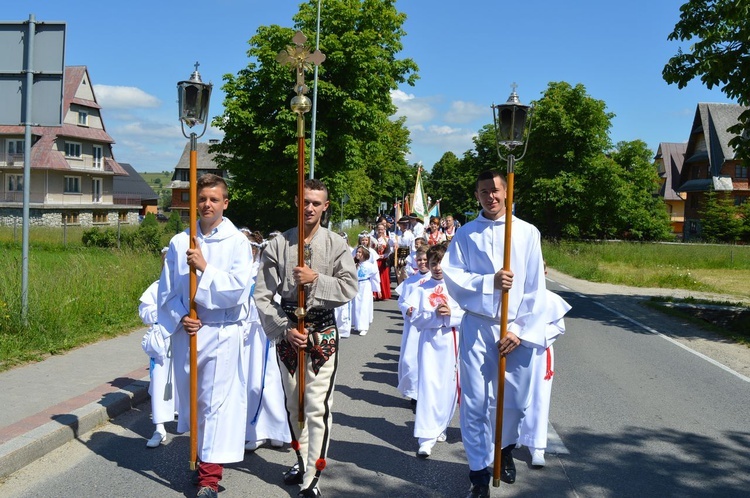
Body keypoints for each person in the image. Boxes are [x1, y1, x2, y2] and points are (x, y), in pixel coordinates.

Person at [441, 170, 548, 498]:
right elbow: (453, 276)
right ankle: (477, 473)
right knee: (475, 400)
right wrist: (489, 282)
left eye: (496, 190)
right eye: (484, 191)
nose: (491, 197)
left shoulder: (527, 233)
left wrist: (518, 329)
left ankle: (505, 448)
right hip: (479, 324)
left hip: (516, 329)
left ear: (507, 192)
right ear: (477, 195)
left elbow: (535, 287)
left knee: (514, 401)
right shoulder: (466, 234)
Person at [254, 178, 358, 498]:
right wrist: (285, 329)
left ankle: (314, 474)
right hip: (289, 334)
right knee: (293, 404)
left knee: (317, 405)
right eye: (306, 201)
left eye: (317, 202)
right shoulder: (278, 244)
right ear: (298, 202)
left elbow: (349, 288)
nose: (311, 207)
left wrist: (316, 280)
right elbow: (261, 295)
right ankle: (301, 459)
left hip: (322, 333)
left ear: (325, 207)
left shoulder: (336, 244)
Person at [157, 173, 253, 498]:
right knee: (195, 402)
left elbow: (239, 290)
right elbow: (167, 293)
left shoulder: (238, 242)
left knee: (215, 404)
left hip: (222, 334)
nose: (207, 204)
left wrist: (205, 268)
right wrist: (182, 316)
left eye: (214, 199)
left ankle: (209, 479)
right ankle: (199, 459)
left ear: (225, 203)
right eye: (202, 199)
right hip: (191, 334)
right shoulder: (179, 242)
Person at [405, 243, 463, 458]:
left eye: (441, 263)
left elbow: (468, 315)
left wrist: (451, 315)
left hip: (452, 342)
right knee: (429, 386)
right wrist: (435, 315)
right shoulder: (421, 288)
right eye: (434, 263)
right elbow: (414, 318)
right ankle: (425, 437)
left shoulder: (458, 288)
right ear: (428, 265)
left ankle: (441, 426)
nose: (438, 267)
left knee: (448, 387)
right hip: (429, 343)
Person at [241, 229, 291, 453]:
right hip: (249, 334)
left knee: (272, 380)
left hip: (270, 332)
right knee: (252, 382)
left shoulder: (274, 274)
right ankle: (257, 430)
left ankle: (276, 429)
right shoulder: (244, 273)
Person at [518, 262, 571, 467]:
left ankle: (537, 446)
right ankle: (513, 437)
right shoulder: (519, 297)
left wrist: (535, 337)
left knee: (539, 398)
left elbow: (558, 327)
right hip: (519, 351)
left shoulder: (552, 300)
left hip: (540, 353)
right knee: (517, 397)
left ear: (545, 272)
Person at [138, 247, 178, 449]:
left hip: (182, 339)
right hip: (162, 343)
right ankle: (159, 427)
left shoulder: (184, 286)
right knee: (159, 381)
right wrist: (163, 314)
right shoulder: (155, 287)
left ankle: (186, 420)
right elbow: (144, 312)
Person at [394, 246, 430, 405]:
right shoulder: (410, 281)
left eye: (425, 260)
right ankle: (413, 393)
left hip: (429, 326)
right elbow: (401, 301)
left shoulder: (436, 279)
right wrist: (406, 309)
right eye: (419, 260)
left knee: (427, 361)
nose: (422, 263)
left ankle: (426, 395)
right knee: (410, 360)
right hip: (413, 327)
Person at [351, 245, 378, 336]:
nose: (357, 254)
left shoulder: (370, 266)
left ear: (364, 254)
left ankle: (364, 327)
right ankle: (357, 324)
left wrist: (376, 289)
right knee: (356, 305)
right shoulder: (355, 264)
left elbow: (375, 277)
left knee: (364, 305)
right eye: (357, 252)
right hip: (356, 285)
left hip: (365, 286)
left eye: (360, 252)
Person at [373, 223, 393, 300]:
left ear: (384, 230)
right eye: (379, 229)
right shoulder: (373, 238)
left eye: (382, 229)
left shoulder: (387, 239)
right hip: (376, 260)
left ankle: (383, 294)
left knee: (383, 277)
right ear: (376, 229)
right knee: (375, 277)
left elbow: (390, 251)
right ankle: (375, 294)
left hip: (383, 261)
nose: (380, 231)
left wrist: (384, 255)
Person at [394, 216, 415, 284]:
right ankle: (400, 288)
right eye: (403, 224)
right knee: (398, 273)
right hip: (398, 255)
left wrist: (412, 257)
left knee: (406, 273)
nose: (405, 226)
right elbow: (392, 243)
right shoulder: (396, 233)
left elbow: (412, 247)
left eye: (406, 224)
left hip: (407, 254)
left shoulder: (410, 235)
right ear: (400, 225)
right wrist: (395, 243)